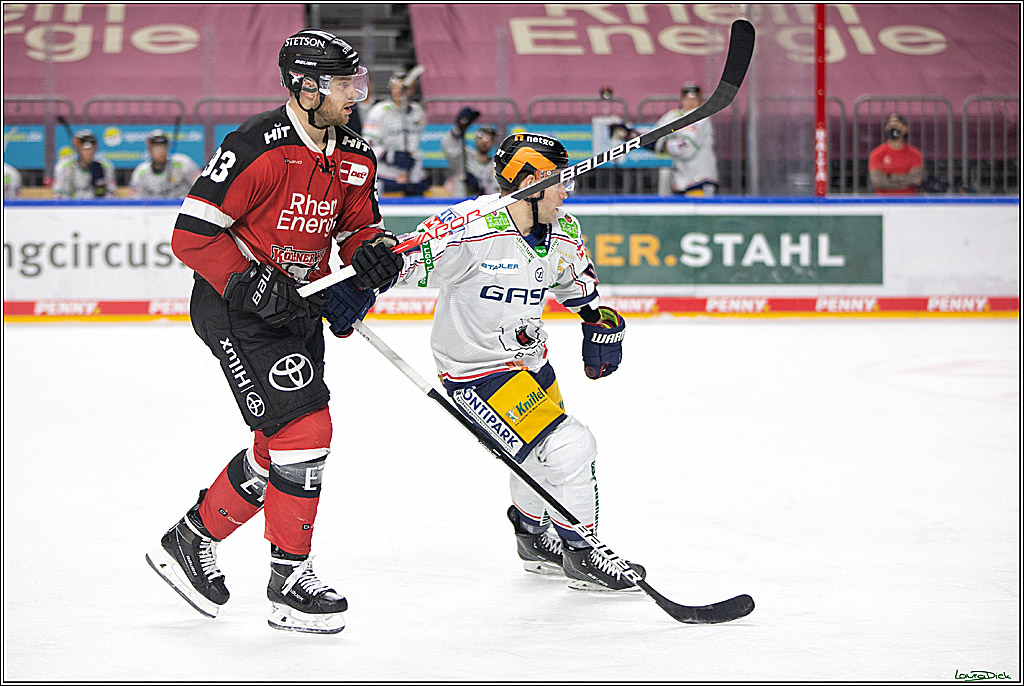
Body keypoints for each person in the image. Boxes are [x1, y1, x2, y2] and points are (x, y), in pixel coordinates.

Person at [145, 28, 404, 635]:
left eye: (355, 82)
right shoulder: (255, 146)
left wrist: (374, 258)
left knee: (278, 450)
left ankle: (189, 539)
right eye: (344, 84)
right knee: (306, 429)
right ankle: (290, 580)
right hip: (236, 310)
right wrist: (249, 281)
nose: (355, 94)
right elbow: (191, 235)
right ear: (304, 86)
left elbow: (359, 230)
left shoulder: (357, 156)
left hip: (297, 313)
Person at [394, 133, 646, 592]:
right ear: (531, 182)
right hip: (475, 371)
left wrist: (595, 318)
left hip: (530, 363)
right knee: (570, 446)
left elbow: (576, 285)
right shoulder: (471, 228)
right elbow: (406, 258)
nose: (567, 190)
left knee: (536, 458)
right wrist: (371, 271)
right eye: (560, 181)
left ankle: (533, 539)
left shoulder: (564, 229)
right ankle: (583, 553)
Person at [363, 69, 428, 196]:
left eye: (403, 88)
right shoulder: (379, 111)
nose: (399, 91)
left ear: (412, 89)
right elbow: (367, 145)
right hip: (387, 176)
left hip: (414, 176)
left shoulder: (418, 112)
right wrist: (390, 156)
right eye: (395, 87)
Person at [653, 84, 718, 196]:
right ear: (681, 100)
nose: (691, 103)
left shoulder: (702, 117)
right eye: (687, 99)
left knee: (701, 212)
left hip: (701, 178)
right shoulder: (672, 116)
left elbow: (685, 148)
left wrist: (659, 145)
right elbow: (653, 135)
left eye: (695, 99)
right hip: (681, 178)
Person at [441, 106, 497, 197]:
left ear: (493, 142)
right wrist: (459, 129)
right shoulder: (464, 157)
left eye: (489, 138)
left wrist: (481, 190)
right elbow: (449, 146)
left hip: (486, 208)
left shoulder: (497, 165)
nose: (484, 142)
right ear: (475, 139)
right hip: (462, 205)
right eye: (481, 137)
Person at [129, 129, 201, 198]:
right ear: (149, 149)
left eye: (163, 146)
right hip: (152, 209)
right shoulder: (141, 171)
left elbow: (200, 186)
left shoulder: (183, 163)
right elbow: (135, 198)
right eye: (156, 147)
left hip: (182, 207)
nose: (161, 150)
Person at [51, 129, 117, 198]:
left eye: (93, 148)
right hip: (71, 207)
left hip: (97, 207)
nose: (90, 152)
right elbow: (59, 195)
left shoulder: (105, 168)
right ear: (78, 149)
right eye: (86, 149)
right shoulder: (64, 167)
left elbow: (111, 195)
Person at [869, 113, 923, 195]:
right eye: (890, 124)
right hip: (883, 202)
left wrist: (888, 176)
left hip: (909, 202)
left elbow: (916, 179)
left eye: (896, 123)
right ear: (886, 128)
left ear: (905, 129)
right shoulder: (876, 153)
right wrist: (906, 179)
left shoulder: (915, 153)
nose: (893, 125)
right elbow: (877, 181)